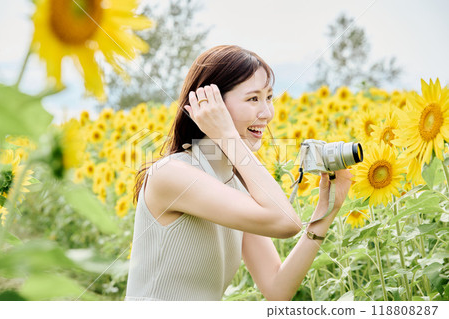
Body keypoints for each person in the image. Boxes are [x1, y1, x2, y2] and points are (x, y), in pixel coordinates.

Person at [125, 45, 353, 301]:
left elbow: (277, 288)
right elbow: (286, 223)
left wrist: (327, 208)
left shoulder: (233, 185)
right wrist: (228, 136)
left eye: (269, 98)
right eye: (253, 99)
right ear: (209, 106)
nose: (267, 113)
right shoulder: (172, 174)